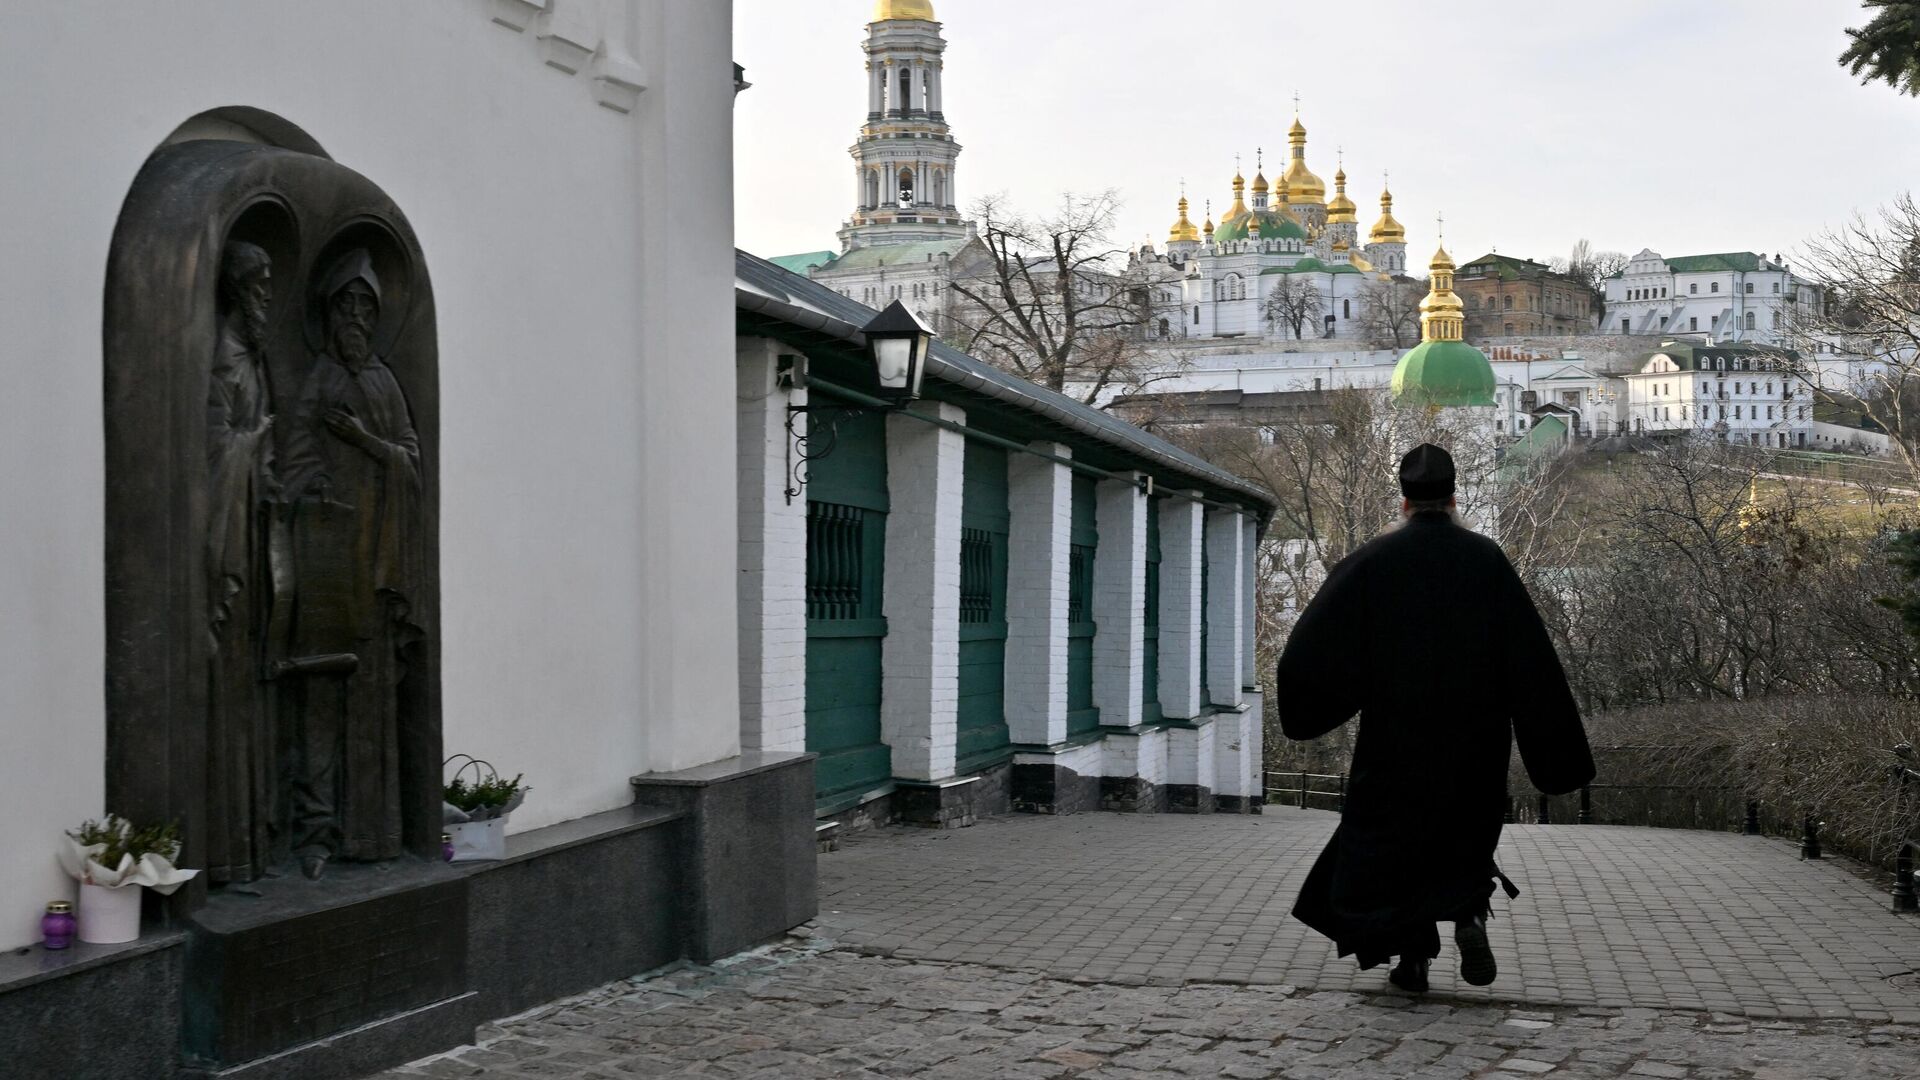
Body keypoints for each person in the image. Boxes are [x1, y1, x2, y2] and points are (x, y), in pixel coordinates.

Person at [1275, 443, 1594, 993]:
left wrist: (1339, 694)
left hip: (1394, 741)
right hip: (1475, 741)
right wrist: (1554, 750)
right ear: (1453, 499)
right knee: (1460, 834)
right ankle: (1469, 914)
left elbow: (1310, 649)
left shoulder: (1372, 562)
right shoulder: (1486, 560)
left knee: (1391, 848)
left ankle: (1412, 962)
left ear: (1404, 502)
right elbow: (1530, 659)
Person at [276, 249, 423, 880]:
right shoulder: (318, 379)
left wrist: (364, 441)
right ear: (330, 314)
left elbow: (411, 462)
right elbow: (294, 462)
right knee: (320, 702)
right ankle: (315, 835)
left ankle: (374, 831)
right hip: (329, 565)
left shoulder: (386, 383)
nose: (357, 317)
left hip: (379, 564)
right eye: (347, 305)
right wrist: (315, 488)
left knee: (371, 705)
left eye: (367, 305)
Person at [205, 239, 278, 884]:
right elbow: (218, 447)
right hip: (229, 546)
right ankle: (228, 852)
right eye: (259, 289)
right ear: (237, 291)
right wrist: (249, 447)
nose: (268, 301)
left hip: (256, 539)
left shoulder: (253, 358)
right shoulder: (225, 360)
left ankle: (254, 842)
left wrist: (271, 471)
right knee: (229, 693)